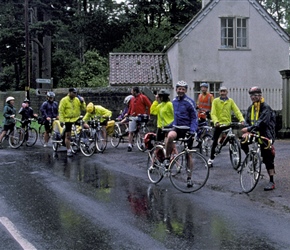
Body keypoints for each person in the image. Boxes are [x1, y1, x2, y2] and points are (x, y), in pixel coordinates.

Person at [241, 86, 276, 191]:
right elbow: (247, 120)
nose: (253, 97)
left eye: (255, 95)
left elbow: (262, 122)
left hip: (266, 134)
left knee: (268, 158)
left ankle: (271, 181)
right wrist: (247, 130)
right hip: (254, 132)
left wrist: (249, 128)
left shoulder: (266, 107)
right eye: (251, 95)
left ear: (260, 95)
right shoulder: (250, 108)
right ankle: (251, 158)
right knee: (243, 141)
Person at [164, 80, 198, 187]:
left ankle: (189, 178)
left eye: (183, 89)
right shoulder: (173, 101)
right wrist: (167, 126)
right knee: (170, 136)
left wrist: (192, 131)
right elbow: (174, 117)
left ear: (186, 90)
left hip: (187, 129)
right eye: (179, 89)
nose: (181, 91)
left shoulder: (189, 102)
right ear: (176, 89)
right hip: (177, 128)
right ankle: (167, 158)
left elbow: (194, 117)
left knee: (188, 154)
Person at [208, 86, 245, 167]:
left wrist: (241, 119)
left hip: (228, 124)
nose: (223, 93)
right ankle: (211, 159)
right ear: (219, 92)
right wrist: (216, 122)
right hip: (219, 124)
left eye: (224, 91)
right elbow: (213, 113)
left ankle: (235, 156)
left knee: (230, 139)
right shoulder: (215, 101)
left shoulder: (230, 101)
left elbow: (236, 111)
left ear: (227, 92)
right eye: (221, 91)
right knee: (214, 142)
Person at [58, 88, 86, 157]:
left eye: (76, 93)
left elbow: (83, 108)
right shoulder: (64, 100)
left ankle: (84, 141)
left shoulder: (77, 100)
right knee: (68, 135)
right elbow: (61, 111)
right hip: (68, 120)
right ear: (70, 92)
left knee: (84, 126)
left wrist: (82, 102)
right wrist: (61, 120)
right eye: (74, 93)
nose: (75, 94)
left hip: (76, 118)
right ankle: (68, 150)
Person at [126, 87, 151, 152]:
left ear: (135, 91)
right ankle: (130, 145)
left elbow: (149, 105)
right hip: (132, 116)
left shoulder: (143, 97)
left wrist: (147, 114)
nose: (131, 92)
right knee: (131, 131)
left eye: (132, 91)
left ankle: (142, 143)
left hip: (141, 116)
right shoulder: (132, 99)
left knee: (141, 131)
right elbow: (130, 107)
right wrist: (128, 114)